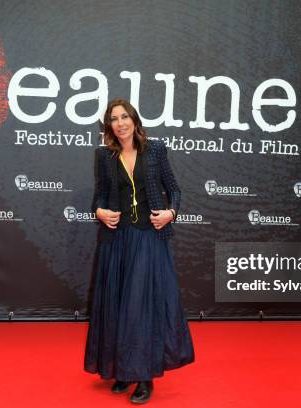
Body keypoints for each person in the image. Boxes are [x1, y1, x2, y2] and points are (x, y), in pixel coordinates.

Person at [84, 99, 195, 404]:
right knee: (118, 306)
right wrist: (100, 213)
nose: (120, 123)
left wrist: (171, 212)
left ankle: (144, 376)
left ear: (134, 119)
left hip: (148, 238)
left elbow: (175, 189)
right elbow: (99, 198)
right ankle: (123, 370)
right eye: (114, 119)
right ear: (109, 126)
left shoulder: (155, 150)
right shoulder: (104, 157)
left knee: (140, 307)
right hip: (117, 241)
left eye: (124, 117)